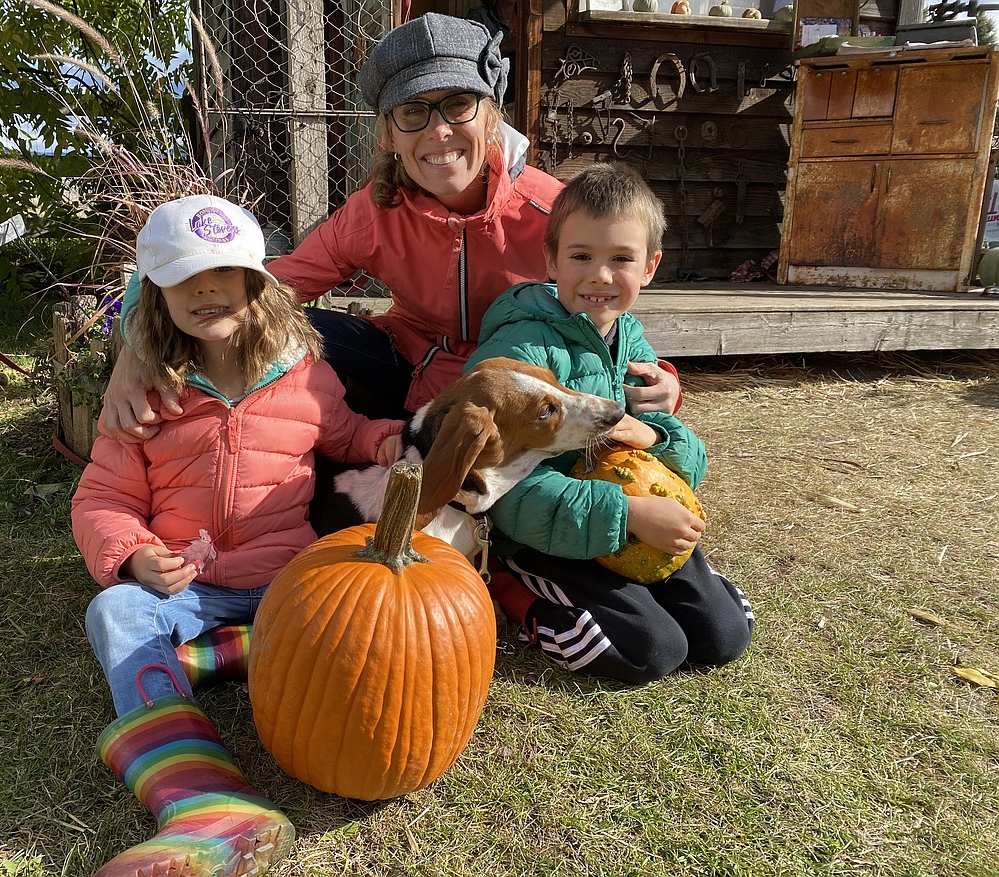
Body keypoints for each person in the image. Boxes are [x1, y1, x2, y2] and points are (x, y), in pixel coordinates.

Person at [98, 12, 682, 440]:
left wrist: (667, 383)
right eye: (412, 111)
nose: (439, 131)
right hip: (406, 371)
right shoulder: (376, 212)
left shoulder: (553, 211)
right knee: (300, 329)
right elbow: (268, 289)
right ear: (388, 133)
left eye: (457, 104)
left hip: (523, 384)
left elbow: (610, 314)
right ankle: (236, 441)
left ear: (491, 112)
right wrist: (136, 342)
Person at [71, 194, 404, 876]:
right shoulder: (147, 398)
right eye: (183, 278)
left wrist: (392, 442)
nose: (205, 290)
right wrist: (133, 555)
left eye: (222, 273)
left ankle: (213, 660)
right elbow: (103, 497)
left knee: (363, 631)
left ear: (258, 284)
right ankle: (205, 801)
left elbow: (347, 433)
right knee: (115, 612)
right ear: (155, 297)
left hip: (287, 580)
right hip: (190, 592)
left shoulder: (304, 376)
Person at [465, 163, 753, 684]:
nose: (600, 275)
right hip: (545, 533)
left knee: (723, 637)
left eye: (621, 258)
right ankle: (516, 591)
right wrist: (629, 513)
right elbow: (505, 488)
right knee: (651, 651)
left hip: (631, 518)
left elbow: (686, 457)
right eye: (581, 257)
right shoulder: (522, 352)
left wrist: (658, 437)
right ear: (551, 259)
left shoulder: (631, 343)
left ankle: (655, 588)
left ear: (650, 266)